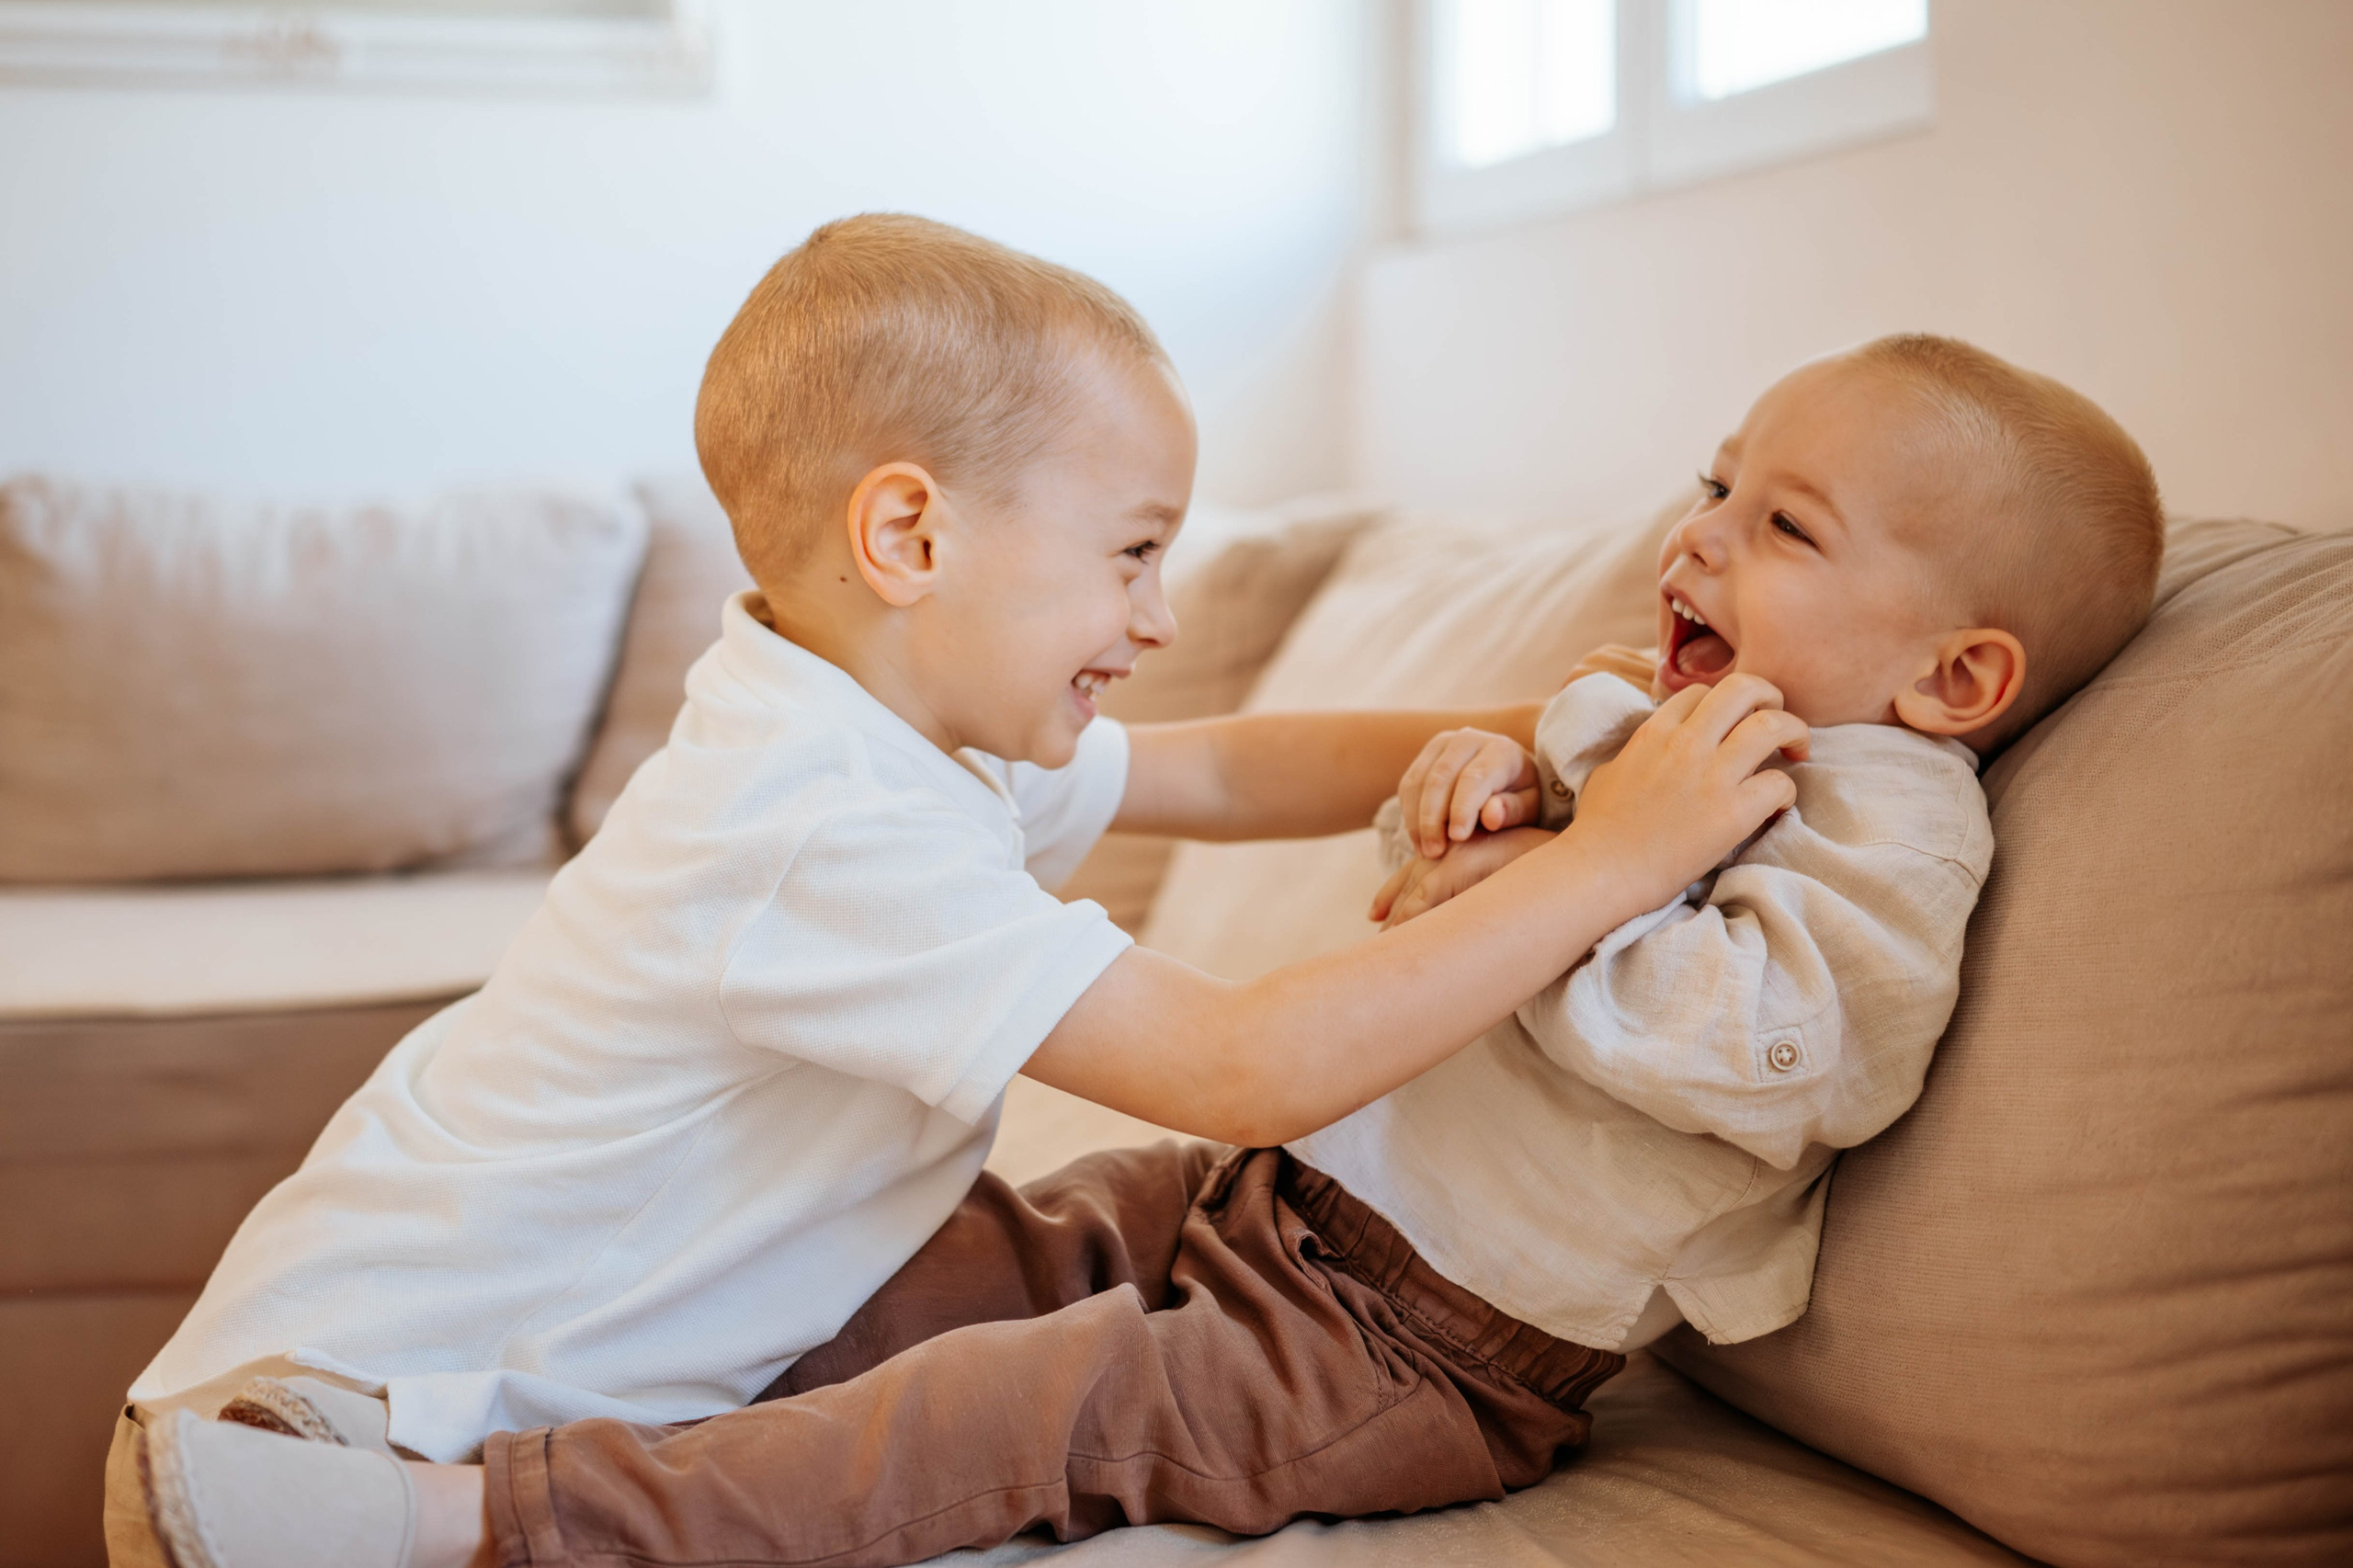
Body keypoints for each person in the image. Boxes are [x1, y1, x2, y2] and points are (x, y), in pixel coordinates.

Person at [116, 214, 1812, 1568]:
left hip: (380, 1384)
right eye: (1135, 550)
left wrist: (1584, 733)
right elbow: (1247, 1073)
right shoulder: (818, 823)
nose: (1156, 616)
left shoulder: (890, 724)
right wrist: (1621, 857)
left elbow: (1223, 769)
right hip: (322, 1443)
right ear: (912, 539)